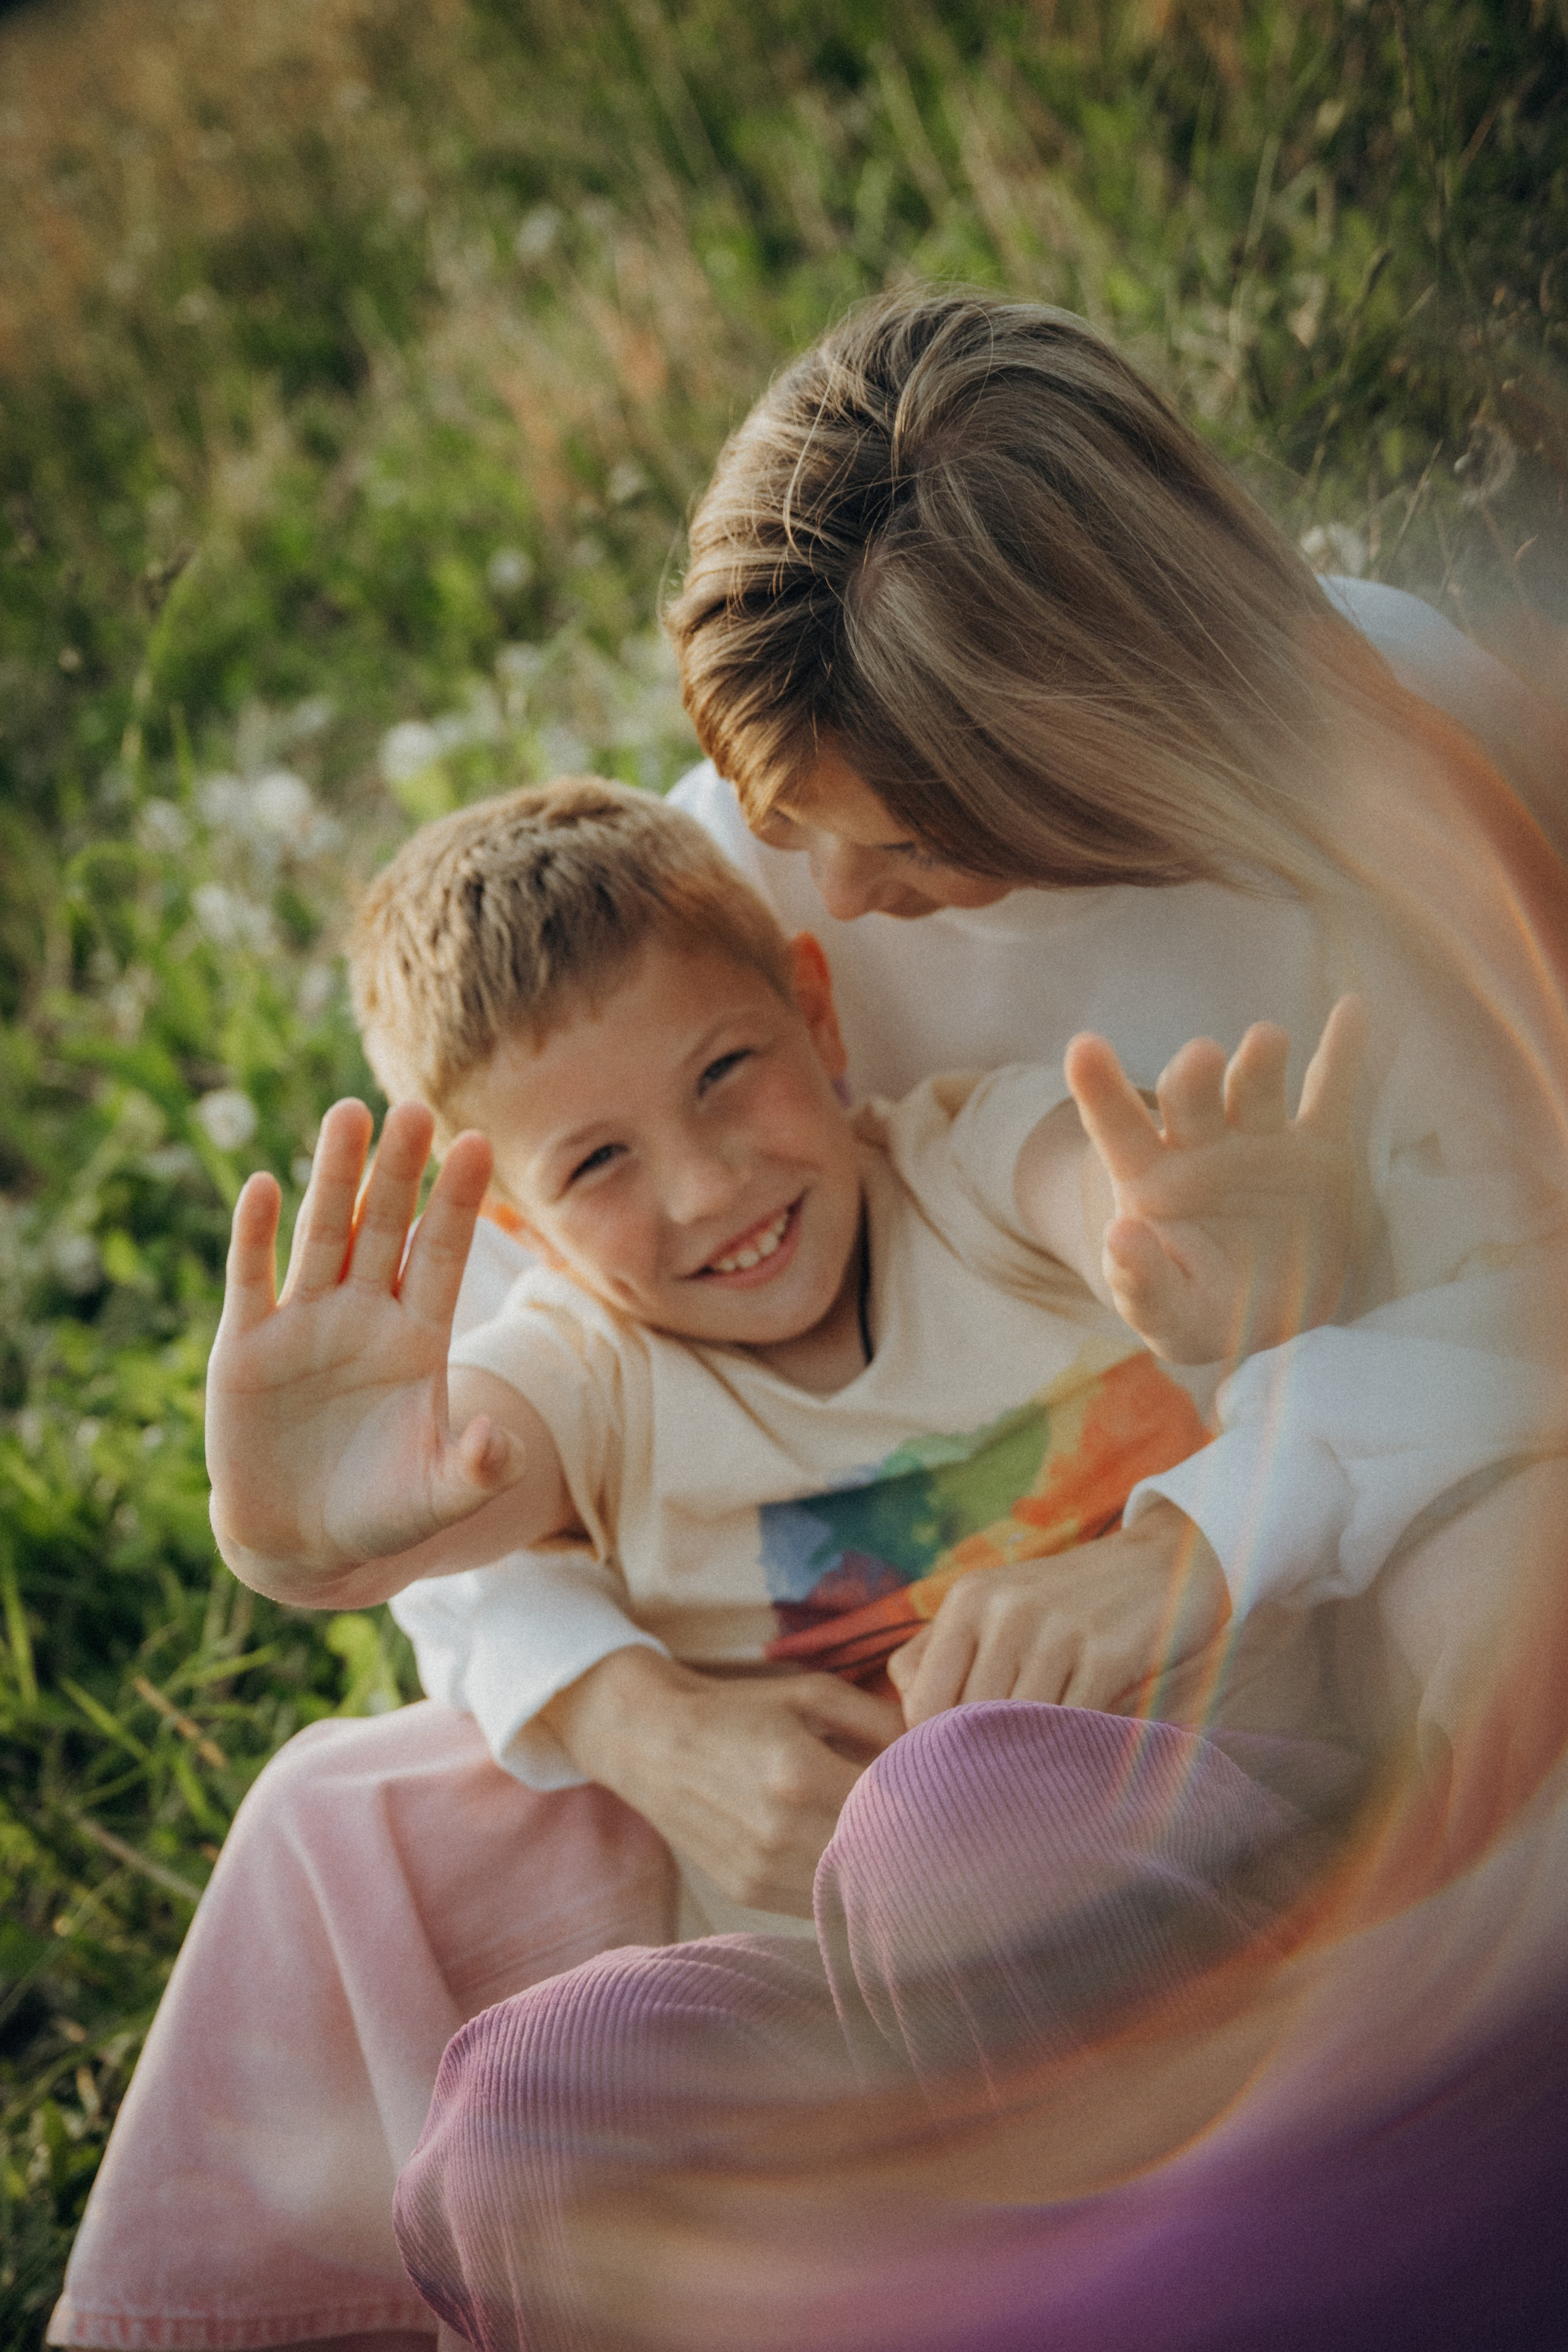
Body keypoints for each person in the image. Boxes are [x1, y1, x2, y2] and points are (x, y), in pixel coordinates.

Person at [49, 291, 1568, 2352]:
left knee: (1019, 1816)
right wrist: (622, 1711)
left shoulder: (1423, 784)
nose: (828, 904)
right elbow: (532, 1367)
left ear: (1114, 739)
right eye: (793, 833)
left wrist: (1230, 1495)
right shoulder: (798, 800)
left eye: (918, 847)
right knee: (466, 2008)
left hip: (1322, 1638)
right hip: (854, 1731)